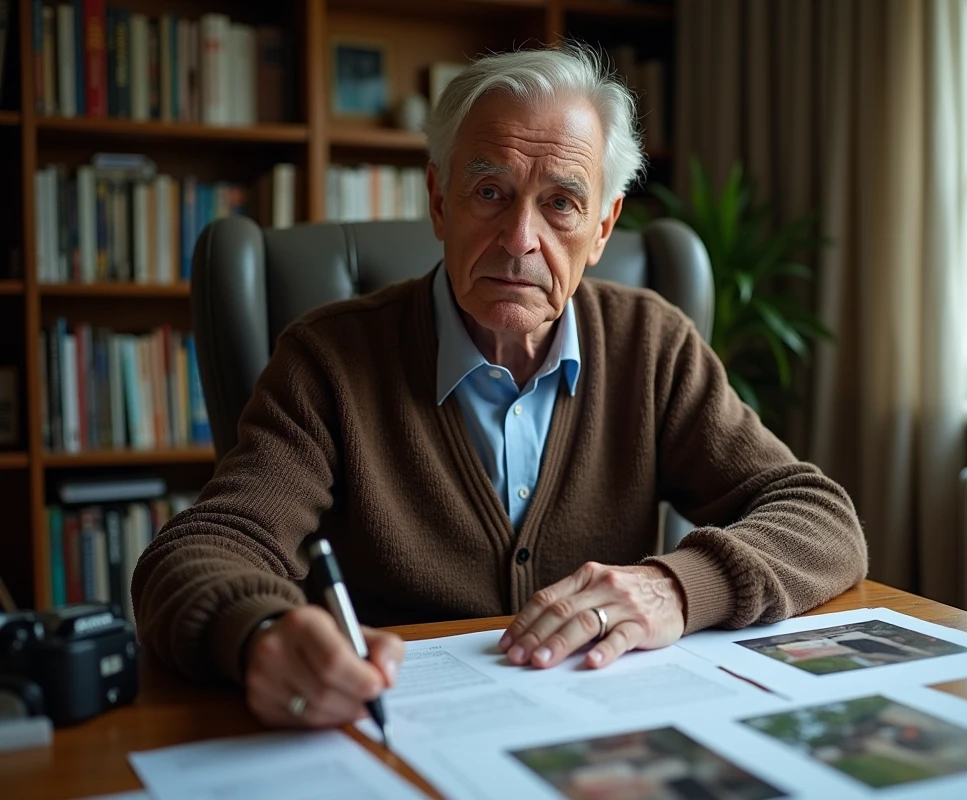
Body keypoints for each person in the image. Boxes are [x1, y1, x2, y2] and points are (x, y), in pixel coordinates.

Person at [132, 43, 868, 731]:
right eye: (491, 191)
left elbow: (820, 517)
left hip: (603, 736)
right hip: (404, 734)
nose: (521, 238)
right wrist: (262, 632)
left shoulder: (653, 345)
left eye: (561, 203)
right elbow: (198, 553)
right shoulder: (330, 359)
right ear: (440, 201)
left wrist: (676, 588)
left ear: (603, 227)